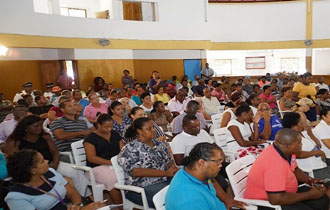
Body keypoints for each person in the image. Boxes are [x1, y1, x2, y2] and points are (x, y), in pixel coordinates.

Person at [245, 129, 330, 210]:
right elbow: (276, 199)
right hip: (268, 202)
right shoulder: (274, 164)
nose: (301, 145)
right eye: (299, 143)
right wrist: (309, 195)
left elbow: (295, 169)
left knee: (322, 200)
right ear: (289, 146)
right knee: (314, 201)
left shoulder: (286, 152)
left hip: (284, 192)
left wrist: (309, 180)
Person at [5, 150, 105, 210]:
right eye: (42, 161)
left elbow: (72, 192)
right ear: (32, 170)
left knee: (100, 206)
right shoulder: (16, 196)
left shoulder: (50, 173)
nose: (47, 161)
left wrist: (77, 205)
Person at [118, 117, 178, 208]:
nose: (153, 130)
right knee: (172, 198)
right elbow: (136, 172)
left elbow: (169, 160)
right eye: (149, 129)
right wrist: (166, 173)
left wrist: (172, 168)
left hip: (164, 179)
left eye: (153, 127)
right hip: (141, 186)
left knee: (184, 190)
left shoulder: (159, 144)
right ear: (139, 131)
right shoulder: (130, 149)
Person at [166, 143, 245, 210]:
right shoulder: (189, 199)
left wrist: (227, 199)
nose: (220, 165)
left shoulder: (194, 173)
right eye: (217, 162)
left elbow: (211, 181)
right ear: (201, 163)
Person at [83, 114, 122, 204]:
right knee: (113, 179)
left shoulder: (114, 134)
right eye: (106, 127)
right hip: (96, 167)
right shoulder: (90, 139)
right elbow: (91, 158)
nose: (109, 129)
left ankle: (130, 201)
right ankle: (121, 205)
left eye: (111, 127)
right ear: (98, 125)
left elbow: (122, 149)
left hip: (114, 163)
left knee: (129, 173)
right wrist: (111, 162)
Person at [282, 112, 330, 179]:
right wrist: (317, 152)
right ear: (293, 127)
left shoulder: (304, 133)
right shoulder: (290, 139)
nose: (304, 125)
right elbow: (296, 155)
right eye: (301, 123)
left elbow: (318, 145)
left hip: (321, 165)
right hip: (313, 170)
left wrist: (310, 134)